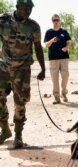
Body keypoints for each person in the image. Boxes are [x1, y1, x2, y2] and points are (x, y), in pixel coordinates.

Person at [0, 0, 45, 148]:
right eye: (25, 8)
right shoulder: (3, 21)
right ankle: (5, 130)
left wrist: (43, 68)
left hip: (22, 70)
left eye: (30, 8)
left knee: (20, 102)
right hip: (4, 68)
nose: (28, 11)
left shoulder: (33, 27)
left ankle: (18, 135)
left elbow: (38, 48)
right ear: (17, 7)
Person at [44, 14, 71, 104]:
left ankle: (64, 94)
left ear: (59, 21)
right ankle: (56, 97)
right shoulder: (49, 32)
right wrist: (52, 40)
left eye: (57, 20)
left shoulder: (64, 31)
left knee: (65, 76)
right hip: (53, 59)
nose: (56, 22)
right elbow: (46, 45)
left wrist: (66, 48)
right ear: (52, 21)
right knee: (55, 79)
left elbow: (69, 42)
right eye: (54, 20)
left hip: (64, 58)